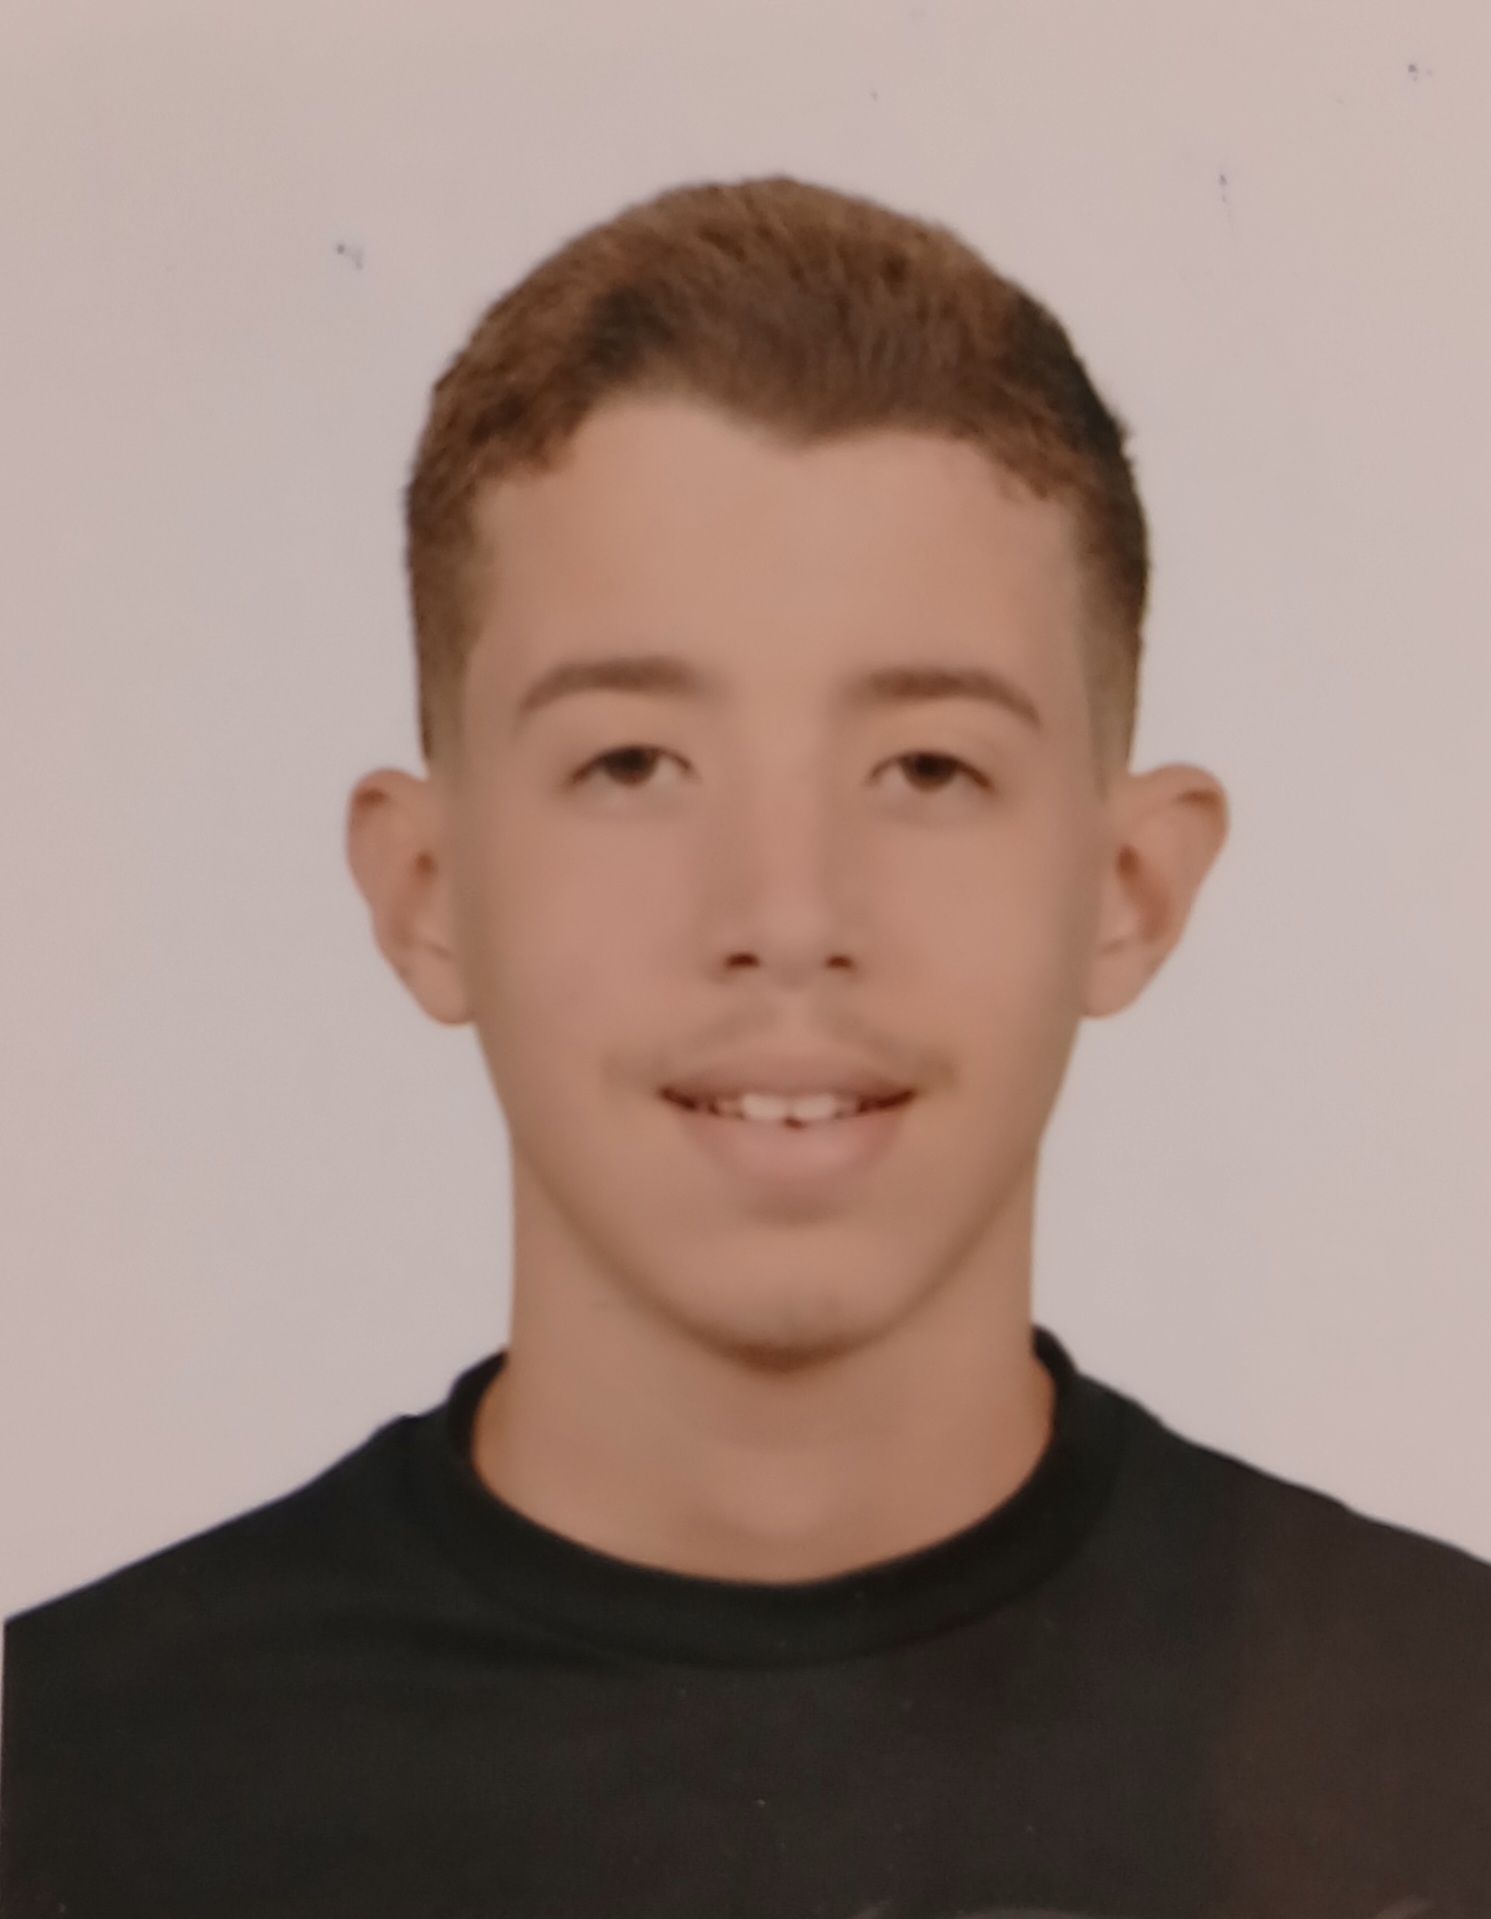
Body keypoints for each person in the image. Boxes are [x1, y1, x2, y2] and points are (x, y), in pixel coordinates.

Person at [2, 174, 1487, 1919]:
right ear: (426, 892)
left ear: (1129, 889)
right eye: (632, 764)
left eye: (928, 768)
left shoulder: (1449, 1758)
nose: (787, 914)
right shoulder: (64, 1790)